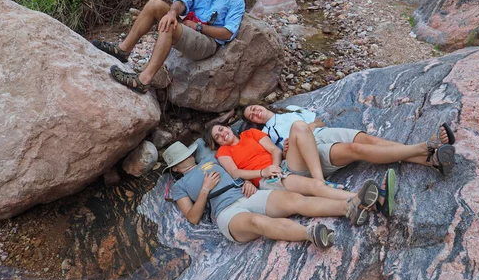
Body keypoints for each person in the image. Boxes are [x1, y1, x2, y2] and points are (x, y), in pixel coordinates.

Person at [163, 142, 381, 248]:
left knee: (294, 199)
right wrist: (204, 189)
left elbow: (206, 146)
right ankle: (310, 234)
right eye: (181, 158)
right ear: (174, 168)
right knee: (258, 222)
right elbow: (192, 216)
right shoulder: (179, 186)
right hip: (226, 212)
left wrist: (246, 181)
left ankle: (349, 208)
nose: (187, 157)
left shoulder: (209, 159)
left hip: (247, 195)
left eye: (187, 153)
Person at [93, 0, 246, 93]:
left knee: (169, 27)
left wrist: (198, 27)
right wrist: (172, 13)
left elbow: (227, 33)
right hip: (188, 28)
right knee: (155, 4)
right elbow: (182, 1)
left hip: (207, 42)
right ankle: (123, 50)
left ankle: (143, 80)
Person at [204, 122, 392, 224]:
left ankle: (321, 179)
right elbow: (235, 172)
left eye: (221, 129)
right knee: (312, 186)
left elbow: (275, 151)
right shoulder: (224, 153)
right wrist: (264, 172)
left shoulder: (250, 134)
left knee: (299, 127)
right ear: (217, 143)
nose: (222, 135)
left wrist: (275, 166)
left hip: (283, 166)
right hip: (267, 180)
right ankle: (372, 202)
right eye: (217, 137)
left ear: (228, 127)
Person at [242, 104, 456, 178]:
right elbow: (286, 160)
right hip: (307, 151)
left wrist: (310, 127)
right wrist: (288, 149)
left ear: (261, 106)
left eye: (254, 109)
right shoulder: (267, 134)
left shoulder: (289, 109)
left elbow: (320, 122)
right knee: (356, 148)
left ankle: (430, 161)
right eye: (251, 116)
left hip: (319, 133)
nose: (255, 113)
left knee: (367, 139)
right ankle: (425, 146)